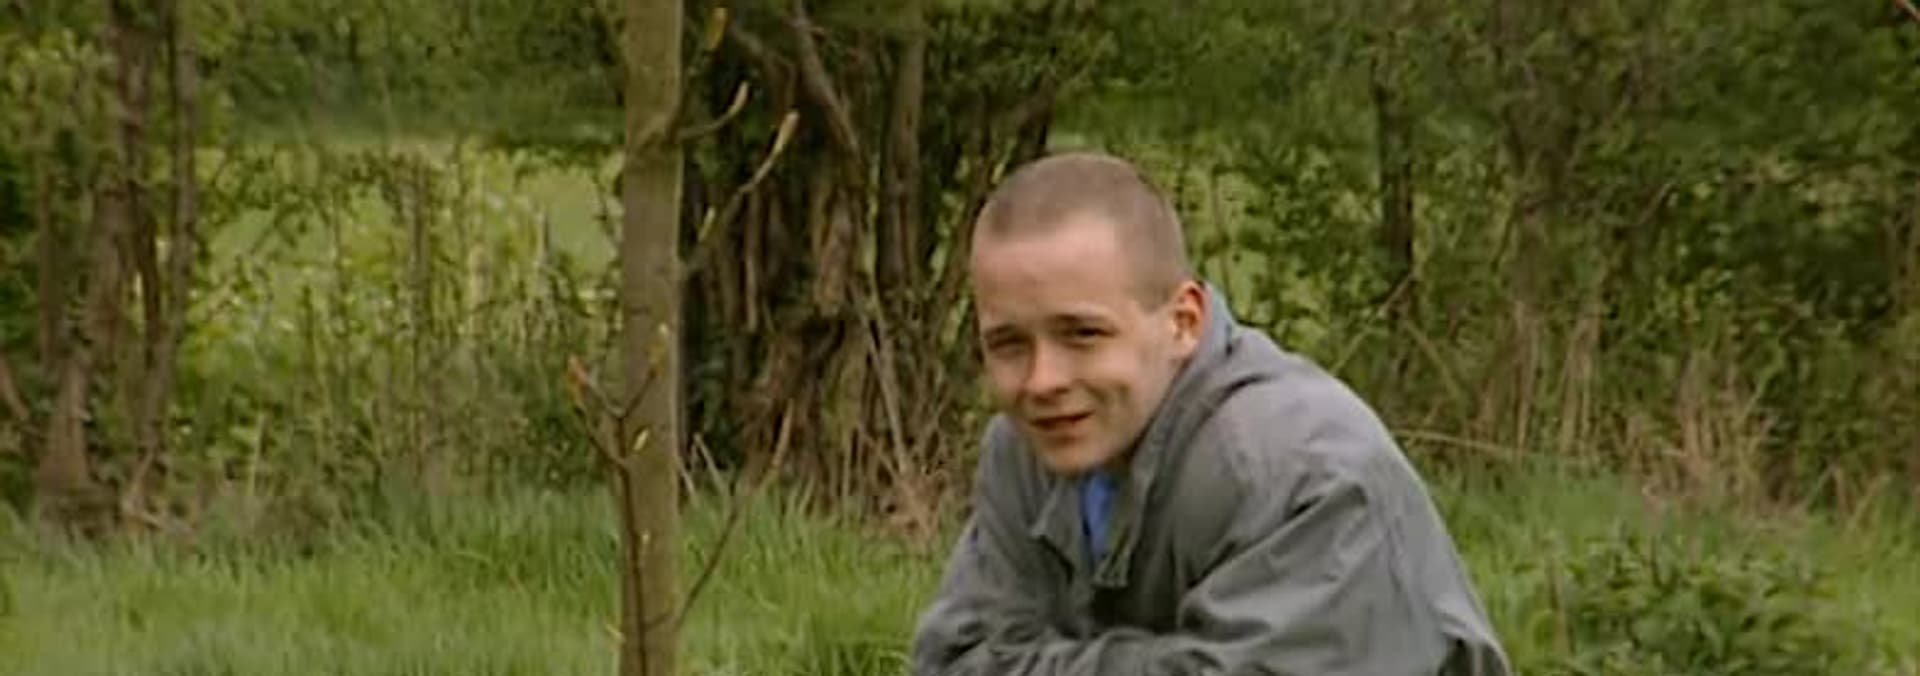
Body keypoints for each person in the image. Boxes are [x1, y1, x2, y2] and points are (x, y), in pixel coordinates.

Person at [910, 152, 1512, 675]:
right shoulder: (1025, 448)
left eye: (1083, 334)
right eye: (1009, 344)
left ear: (1183, 322)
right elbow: (953, 658)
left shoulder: (1300, 470)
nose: (1043, 381)